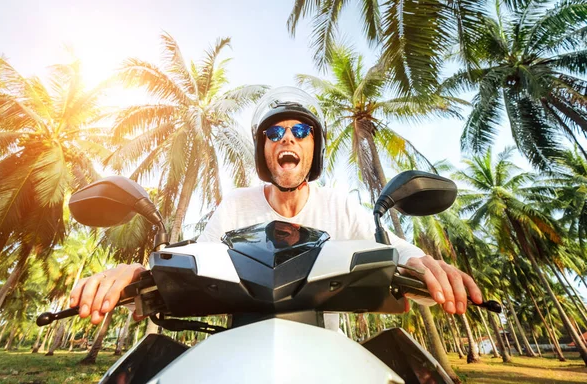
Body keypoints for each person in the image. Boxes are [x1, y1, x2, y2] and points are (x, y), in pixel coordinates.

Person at [70, 86, 483, 326]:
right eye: (275, 132)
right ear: (263, 150)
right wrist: (139, 272)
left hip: (326, 355)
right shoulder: (235, 205)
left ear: (313, 148)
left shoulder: (338, 206)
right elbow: (195, 258)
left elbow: (397, 252)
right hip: (238, 350)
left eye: (300, 130)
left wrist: (423, 266)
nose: (287, 138)